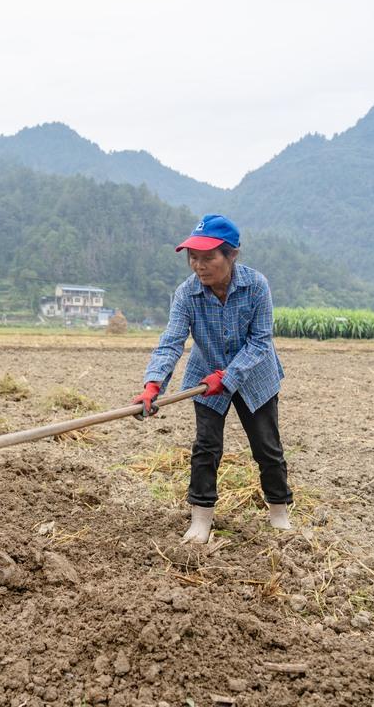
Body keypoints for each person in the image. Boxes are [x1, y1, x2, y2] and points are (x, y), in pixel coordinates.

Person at [133, 214, 293, 543]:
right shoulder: (186, 294)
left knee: (267, 448)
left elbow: (261, 340)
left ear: (231, 255)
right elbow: (171, 342)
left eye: (208, 257)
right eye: (193, 257)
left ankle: (279, 513)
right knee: (206, 448)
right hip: (206, 378)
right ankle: (201, 518)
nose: (199, 266)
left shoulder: (256, 286)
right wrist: (153, 385)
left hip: (255, 377)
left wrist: (230, 375)